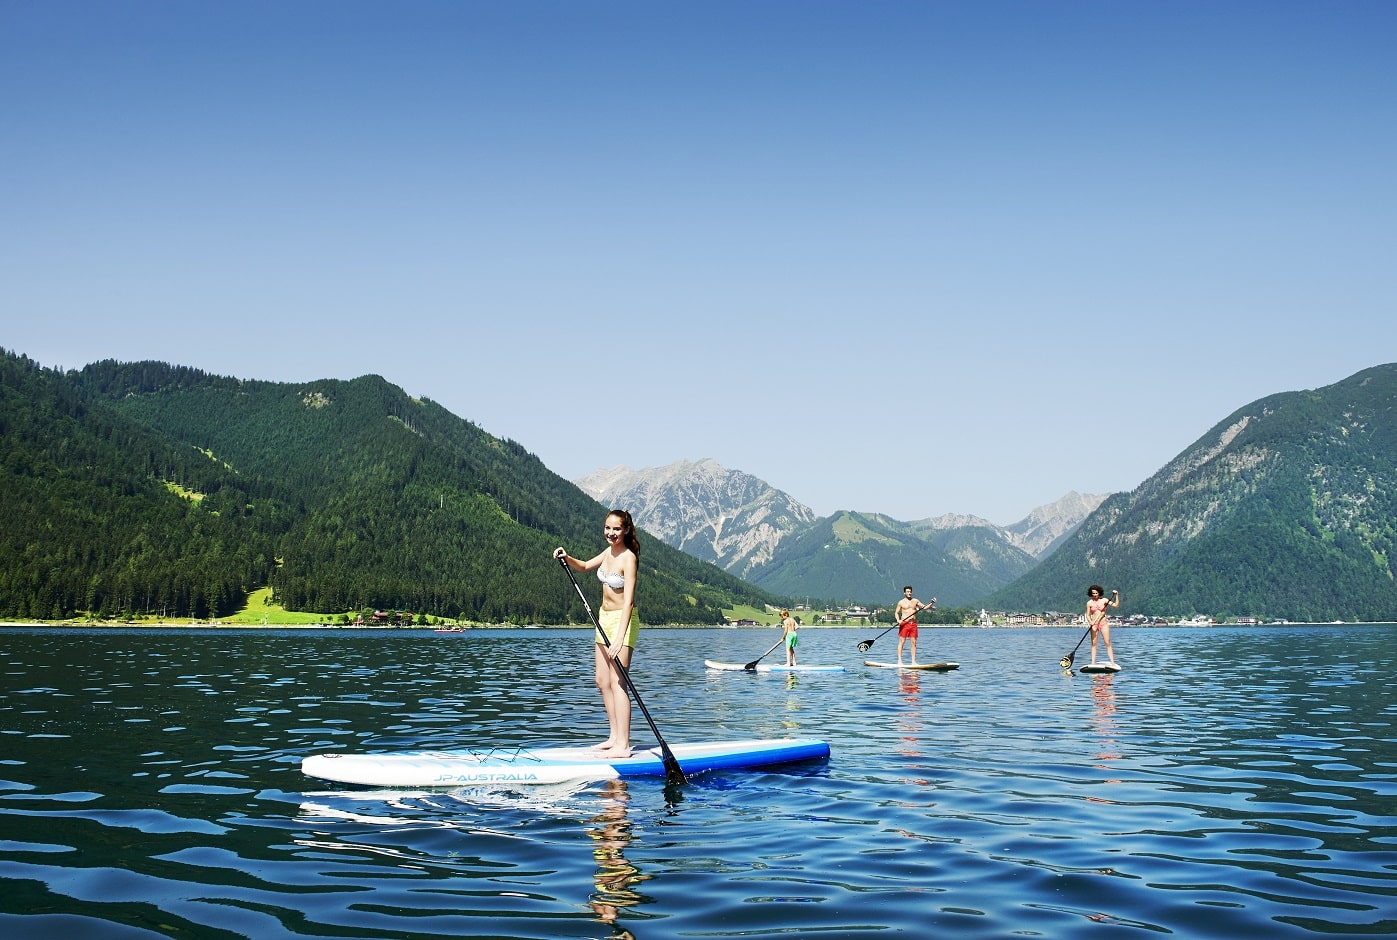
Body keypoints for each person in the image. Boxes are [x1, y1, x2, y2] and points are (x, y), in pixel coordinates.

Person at [555, 510, 641, 757]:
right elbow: (583, 567)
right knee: (602, 681)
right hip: (603, 619)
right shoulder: (608, 553)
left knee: (618, 682)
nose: (610, 533)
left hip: (622, 622)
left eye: (616, 529)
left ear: (625, 530)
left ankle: (623, 745)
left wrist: (618, 637)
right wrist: (567, 557)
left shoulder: (628, 558)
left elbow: (629, 603)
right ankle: (614, 737)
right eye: (607, 528)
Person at [893, 586, 935, 665]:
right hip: (904, 624)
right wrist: (898, 620)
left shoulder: (915, 601)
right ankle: (899, 661)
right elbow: (896, 613)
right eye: (908, 592)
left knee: (914, 642)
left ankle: (913, 662)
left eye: (910, 592)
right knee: (902, 642)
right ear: (904, 593)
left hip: (913, 624)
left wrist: (932, 603)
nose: (909, 593)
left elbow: (925, 607)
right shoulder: (901, 602)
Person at [1085, 585, 1120, 667]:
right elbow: (1087, 614)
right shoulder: (1089, 603)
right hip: (1094, 624)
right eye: (1093, 593)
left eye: (1096, 593)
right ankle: (1093, 663)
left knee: (1107, 642)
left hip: (1103, 623)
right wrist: (1091, 622)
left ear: (1099, 593)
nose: (1095, 595)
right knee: (1094, 644)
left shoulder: (1104, 600)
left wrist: (1116, 595)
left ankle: (1112, 663)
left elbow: (1116, 605)